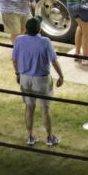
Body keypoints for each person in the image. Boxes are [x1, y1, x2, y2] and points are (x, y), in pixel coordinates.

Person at [12, 16, 65, 147]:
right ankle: (49, 137)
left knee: (29, 108)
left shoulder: (19, 40)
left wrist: (18, 73)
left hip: (25, 78)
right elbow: (53, 61)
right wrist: (61, 76)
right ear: (39, 28)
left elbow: (14, 59)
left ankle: (30, 137)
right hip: (42, 79)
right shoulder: (45, 41)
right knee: (45, 109)